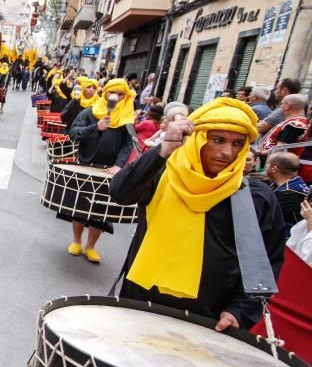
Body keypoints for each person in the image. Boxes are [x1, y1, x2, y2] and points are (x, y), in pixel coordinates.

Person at [110, 97, 286, 331]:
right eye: (218, 140)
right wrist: (164, 149)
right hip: (140, 303)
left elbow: (267, 260)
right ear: (197, 139)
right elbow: (121, 192)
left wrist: (239, 311)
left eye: (237, 144)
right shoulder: (163, 173)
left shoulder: (256, 197)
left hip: (209, 319)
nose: (226, 152)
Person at [63, 78, 136, 263]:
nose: (117, 98)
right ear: (106, 94)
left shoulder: (126, 119)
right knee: (80, 207)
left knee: (101, 212)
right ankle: (77, 241)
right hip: (86, 165)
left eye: (121, 95)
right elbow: (73, 133)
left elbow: (128, 145)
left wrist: (119, 165)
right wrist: (96, 126)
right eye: (114, 93)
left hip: (108, 170)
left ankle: (91, 247)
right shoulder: (89, 113)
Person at [265, 152, 310, 230]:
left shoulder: (289, 193)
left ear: (274, 169)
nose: (266, 166)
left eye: (267, 164)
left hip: (288, 236)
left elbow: (266, 216)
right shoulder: (294, 181)